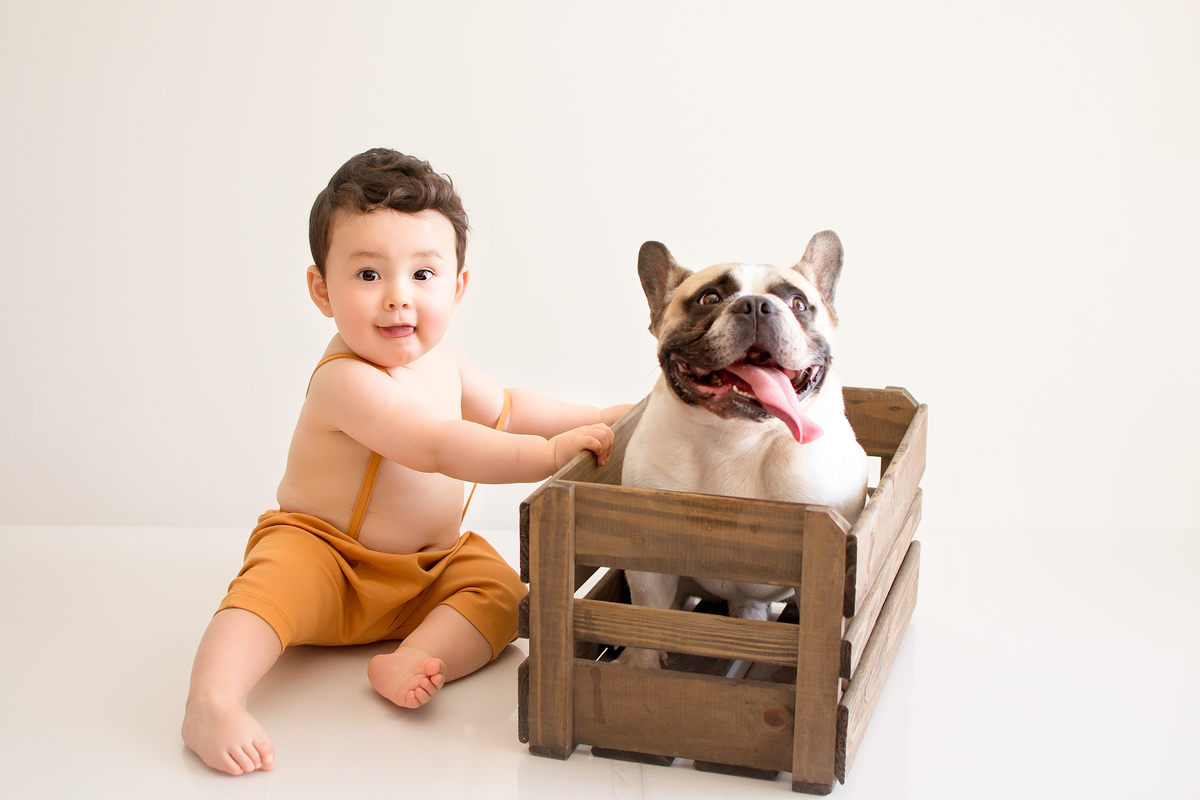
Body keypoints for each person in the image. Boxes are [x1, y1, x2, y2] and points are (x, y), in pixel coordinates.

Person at [181, 148, 627, 776]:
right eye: (368, 276)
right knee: (267, 592)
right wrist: (552, 456)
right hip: (329, 556)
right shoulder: (346, 380)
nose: (398, 299)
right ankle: (212, 700)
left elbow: (511, 405)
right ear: (321, 290)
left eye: (423, 275)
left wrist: (606, 414)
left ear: (458, 286)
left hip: (429, 565)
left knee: (502, 592)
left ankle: (413, 656)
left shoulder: (446, 363)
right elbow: (436, 444)